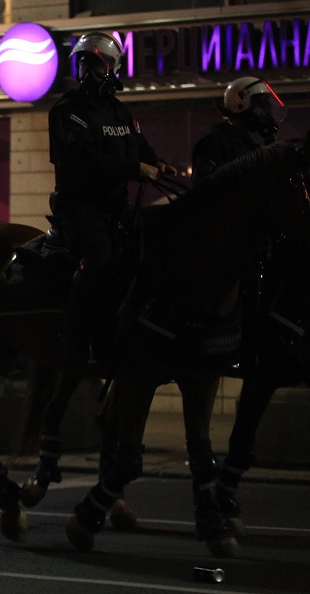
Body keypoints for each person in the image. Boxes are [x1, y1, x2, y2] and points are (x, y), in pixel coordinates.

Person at [48, 31, 172, 369]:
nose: (89, 70)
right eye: (84, 63)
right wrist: (136, 168)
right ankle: (75, 341)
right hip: (80, 208)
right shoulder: (66, 110)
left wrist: (157, 163)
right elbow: (85, 159)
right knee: (99, 257)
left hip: (115, 206)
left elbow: (139, 144)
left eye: (97, 63)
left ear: (112, 68)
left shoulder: (119, 110)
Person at [191, 76, 285, 186]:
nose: (264, 113)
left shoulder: (245, 142)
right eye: (260, 106)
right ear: (240, 104)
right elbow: (204, 188)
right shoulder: (214, 143)